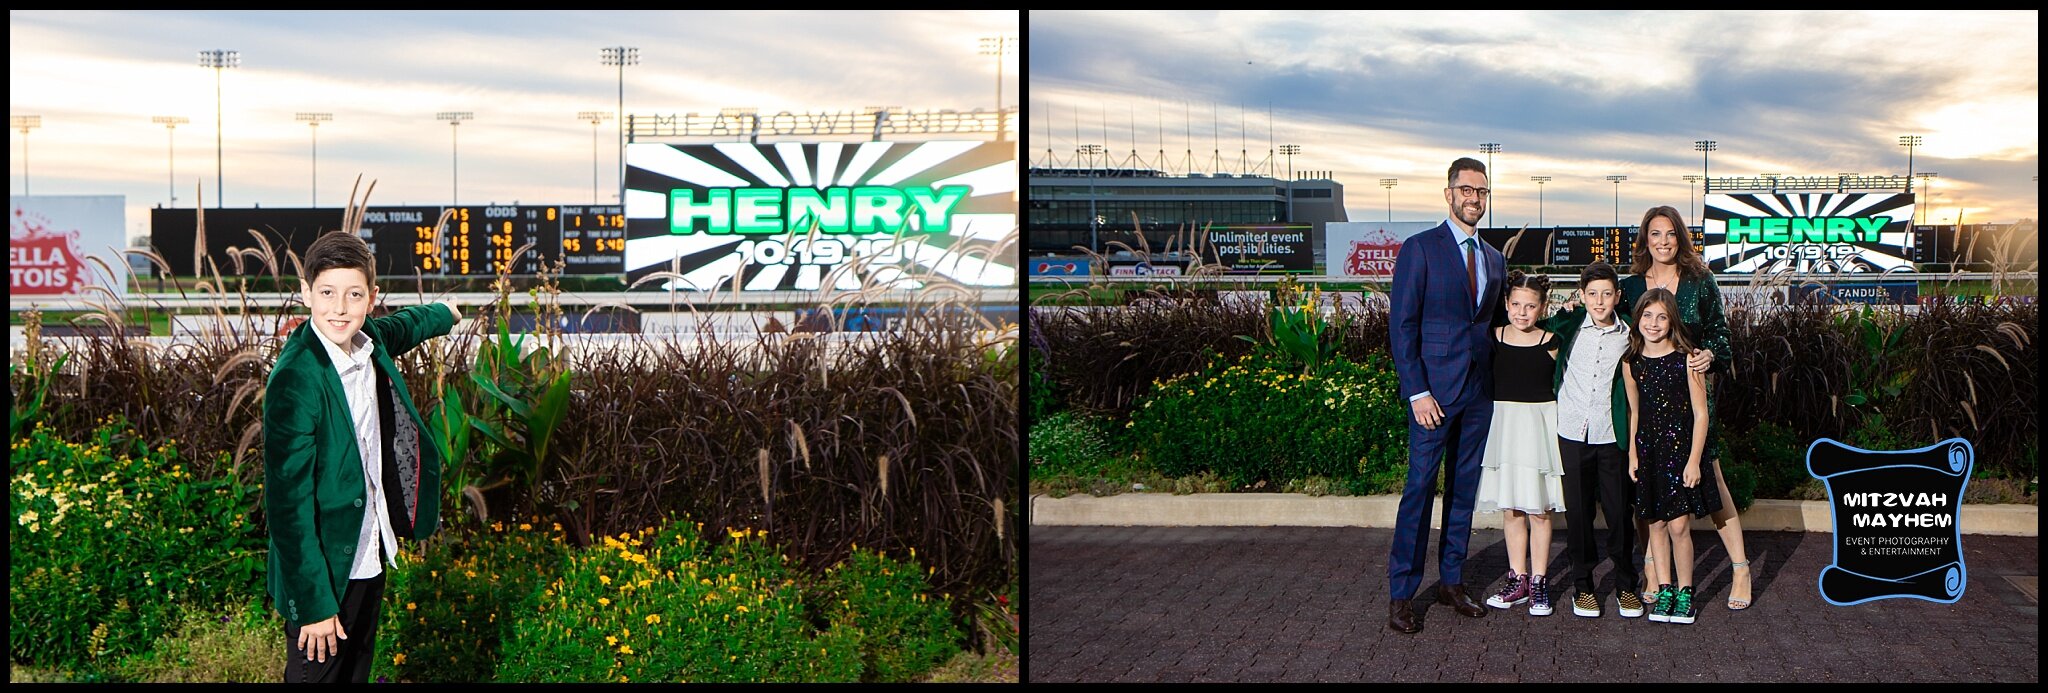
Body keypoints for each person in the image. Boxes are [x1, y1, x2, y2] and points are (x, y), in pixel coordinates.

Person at [264, 230, 462, 682]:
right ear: (306, 293)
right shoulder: (297, 378)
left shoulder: (367, 339)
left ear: (372, 298)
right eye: (327, 293)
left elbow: (405, 327)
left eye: (353, 295)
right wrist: (314, 605)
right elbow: (287, 507)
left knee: (356, 673)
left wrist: (444, 314)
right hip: (325, 569)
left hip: (369, 549)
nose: (339, 308)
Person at [1386, 157, 1508, 634]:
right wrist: (1416, 391)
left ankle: (1451, 581)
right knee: (1419, 490)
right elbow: (1403, 327)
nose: (1473, 198)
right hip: (1432, 397)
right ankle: (1402, 593)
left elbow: (1495, 325)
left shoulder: (1495, 258)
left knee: (1463, 493)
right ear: (1448, 193)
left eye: (1481, 191)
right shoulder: (1420, 249)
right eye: (1466, 190)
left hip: (1479, 394)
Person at [1619, 205, 1752, 611]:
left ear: (1681, 238)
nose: (1663, 242)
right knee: (1650, 481)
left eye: (1670, 234)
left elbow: (1721, 335)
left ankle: (1740, 567)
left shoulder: (1699, 281)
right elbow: (1609, 323)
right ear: (1645, 240)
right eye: (1655, 234)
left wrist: (1709, 356)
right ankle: (1654, 567)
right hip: (1647, 396)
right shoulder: (1629, 287)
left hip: (1690, 394)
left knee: (1709, 478)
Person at [1539, 262, 1642, 619]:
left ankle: (1626, 585)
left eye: (1607, 294)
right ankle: (1583, 586)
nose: (1600, 301)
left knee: (1618, 513)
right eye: (1592, 294)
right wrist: (1559, 309)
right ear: (1582, 296)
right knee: (1578, 514)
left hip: (1611, 434)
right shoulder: (1567, 325)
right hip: (1571, 432)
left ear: (1617, 296)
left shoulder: (1630, 332)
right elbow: (1530, 326)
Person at [1623, 287, 1720, 624]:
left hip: (1679, 453)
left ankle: (1685, 592)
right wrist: (1634, 455)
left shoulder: (1687, 359)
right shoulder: (1631, 362)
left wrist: (1694, 461)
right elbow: (1635, 413)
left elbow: (1701, 414)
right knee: (1656, 524)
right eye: (1647, 315)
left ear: (1672, 320)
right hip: (1648, 452)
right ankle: (1664, 588)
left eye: (1662, 316)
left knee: (1679, 526)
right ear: (1638, 319)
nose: (1654, 323)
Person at [1476, 271, 1566, 616]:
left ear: (1542, 307)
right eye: (1516, 305)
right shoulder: (1493, 337)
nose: (1522, 312)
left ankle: (1540, 580)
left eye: (1530, 306)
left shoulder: (1553, 341)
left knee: (1539, 510)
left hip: (1539, 429)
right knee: (1511, 508)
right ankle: (1519, 579)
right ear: (1506, 304)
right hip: (1505, 427)